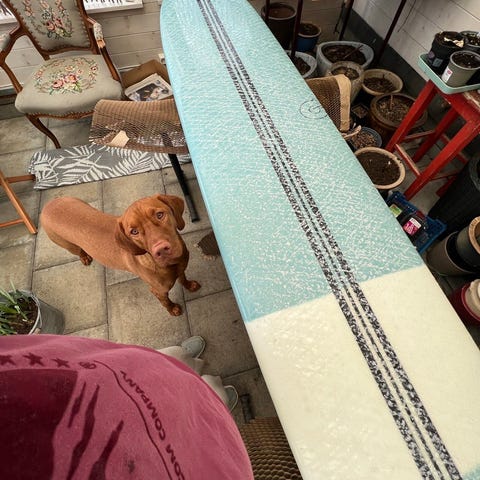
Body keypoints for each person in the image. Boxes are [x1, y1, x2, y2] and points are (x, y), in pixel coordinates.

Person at [0, 334, 254, 480]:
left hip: (121, 373)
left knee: (170, 362)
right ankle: (217, 400)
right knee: (212, 424)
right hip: (181, 465)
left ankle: (190, 368)